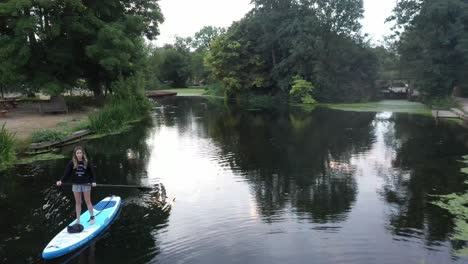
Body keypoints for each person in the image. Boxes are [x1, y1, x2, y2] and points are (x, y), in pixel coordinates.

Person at [57, 146, 97, 225]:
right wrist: (61, 181)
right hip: (76, 185)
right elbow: (66, 174)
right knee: (78, 202)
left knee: (87, 201)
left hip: (86, 184)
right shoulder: (72, 163)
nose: (79, 155)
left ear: (83, 153)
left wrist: (93, 181)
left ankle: (92, 217)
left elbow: (92, 173)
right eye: (77, 153)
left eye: (80, 153)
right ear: (75, 154)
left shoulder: (87, 162)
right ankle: (78, 219)